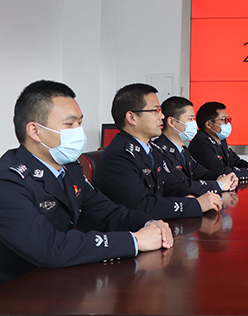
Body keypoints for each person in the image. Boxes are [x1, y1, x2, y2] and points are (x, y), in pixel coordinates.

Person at [0, 80, 173, 285]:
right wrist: (134, 241)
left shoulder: (70, 168)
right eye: (69, 124)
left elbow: (105, 213)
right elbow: (49, 247)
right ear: (35, 131)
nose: (78, 131)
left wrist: (149, 224)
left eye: (79, 123)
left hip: (62, 280)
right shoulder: (8, 180)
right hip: (19, 291)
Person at [93, 84, 222, 220]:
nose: (162, 116)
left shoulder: (153, 149)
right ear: (132, 118)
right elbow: (142, 206)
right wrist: (195, 205)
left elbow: (171, 184)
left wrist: (189, 197)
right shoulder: (119, 156)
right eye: (155, 110)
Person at [151, 96, 238, 195]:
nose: (194, 124)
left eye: (194, 119)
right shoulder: (159, 151)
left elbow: (201, 172)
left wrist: (224, 178)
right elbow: (182, 185)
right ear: (172, 122)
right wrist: (219, 185)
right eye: (190, 119)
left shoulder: (182, 150)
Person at [188, 102, 248, 180]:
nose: (227, 123)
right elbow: (221, 171)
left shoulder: (221, 141)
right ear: (209, 124)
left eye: (228, 119)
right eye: (223, 120)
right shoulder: (200, 144)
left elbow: (235, 161)